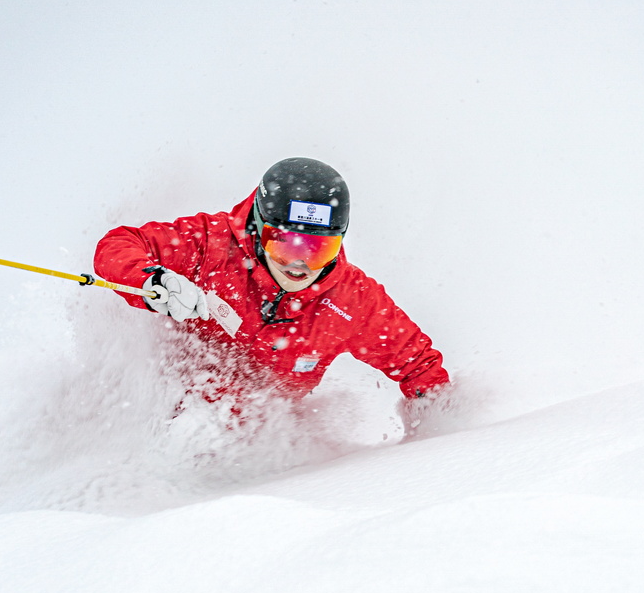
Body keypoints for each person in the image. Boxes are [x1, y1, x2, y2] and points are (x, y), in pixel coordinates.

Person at [93, 157, 450, 411]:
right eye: (285, 244)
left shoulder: (351, 301)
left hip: (260, 451)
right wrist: (153, 281)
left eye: (318, 248)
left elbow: (419, 367)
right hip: (162, 412)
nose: (299, 265)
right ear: (257, 229)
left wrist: (441, 428)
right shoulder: (211, 246)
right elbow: (119, 246)